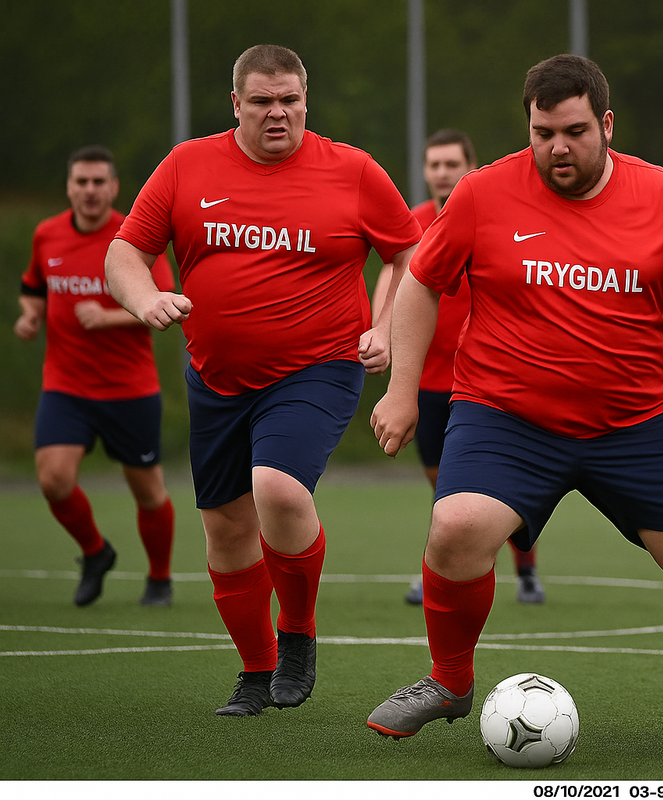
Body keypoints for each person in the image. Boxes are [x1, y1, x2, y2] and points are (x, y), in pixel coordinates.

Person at [367, 54, 663, 758]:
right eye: (542, 132)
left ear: (607, 123)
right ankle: (448, 683)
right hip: (506, 415)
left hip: (636, 420)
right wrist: (401, 391)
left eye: (573, 130)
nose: (557, 147)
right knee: (456, 525)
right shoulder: (481, 193)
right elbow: (420, 283)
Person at [104, 44, 422, 717]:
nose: (278, 113)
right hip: (215, 377)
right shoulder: (187, 165)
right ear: (236, 105)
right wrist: (143, 300)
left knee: (275, 487)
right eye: (262, 102)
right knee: (225, 529)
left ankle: (297, 632)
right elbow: (127, 250)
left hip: (319, 366)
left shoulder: (354, 171)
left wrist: (385, 324)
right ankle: (255, 673)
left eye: (290, 100)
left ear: (306, 99)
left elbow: (408, 254)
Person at [373, 129, 545, 607]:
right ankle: (440, 570)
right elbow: (394, 272)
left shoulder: (497, 216)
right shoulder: (414, 223)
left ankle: (526, 572)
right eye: (434, 165)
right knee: (444, 485)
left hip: (489, 383)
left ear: (471, 165)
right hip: (427, 381)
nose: (442, 173)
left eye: (452, 164)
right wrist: (379, 331)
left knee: (498, 484)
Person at [15, 145, 178, 608]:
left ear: (114, 188)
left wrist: (106, 317)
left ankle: (160, 579)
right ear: (69, 186)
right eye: (81, 182)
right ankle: (95, 552)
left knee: (148, 492)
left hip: (130, 389)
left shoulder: (133, 237)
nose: (89, 191)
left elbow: (163, 298)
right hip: (66, 386)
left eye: (98, 182)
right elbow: (33, 289)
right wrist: (30, 316)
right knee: (53, 480)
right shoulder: (46, 235)